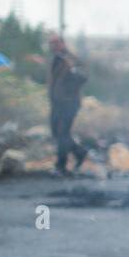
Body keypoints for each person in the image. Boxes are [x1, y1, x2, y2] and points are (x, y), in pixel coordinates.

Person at [45, 33, 88, 175]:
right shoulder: (55, 59)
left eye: (56, 43)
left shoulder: (70, 58)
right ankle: (80, 153)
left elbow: (83, 77)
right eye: (51, 43)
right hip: (56, 103)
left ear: (63, 44)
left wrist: (72, 70)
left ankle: (61, 166)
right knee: (56, 132)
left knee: (63, 133)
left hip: (69, 102)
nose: (53, 46)